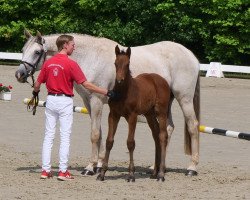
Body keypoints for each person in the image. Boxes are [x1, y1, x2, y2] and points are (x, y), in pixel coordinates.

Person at [31, 34, 114, 181]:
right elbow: (87, 85)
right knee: (65, 138)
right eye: (72, 44)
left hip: (51, 100)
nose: (74, 46)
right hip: (64, 102)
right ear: (65, 45)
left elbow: (37, 84)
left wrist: (35, 93)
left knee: (48, 137)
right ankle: (63, 172)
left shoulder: (48, 63)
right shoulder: (71, 64)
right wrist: (105, 91)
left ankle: (45, 170)